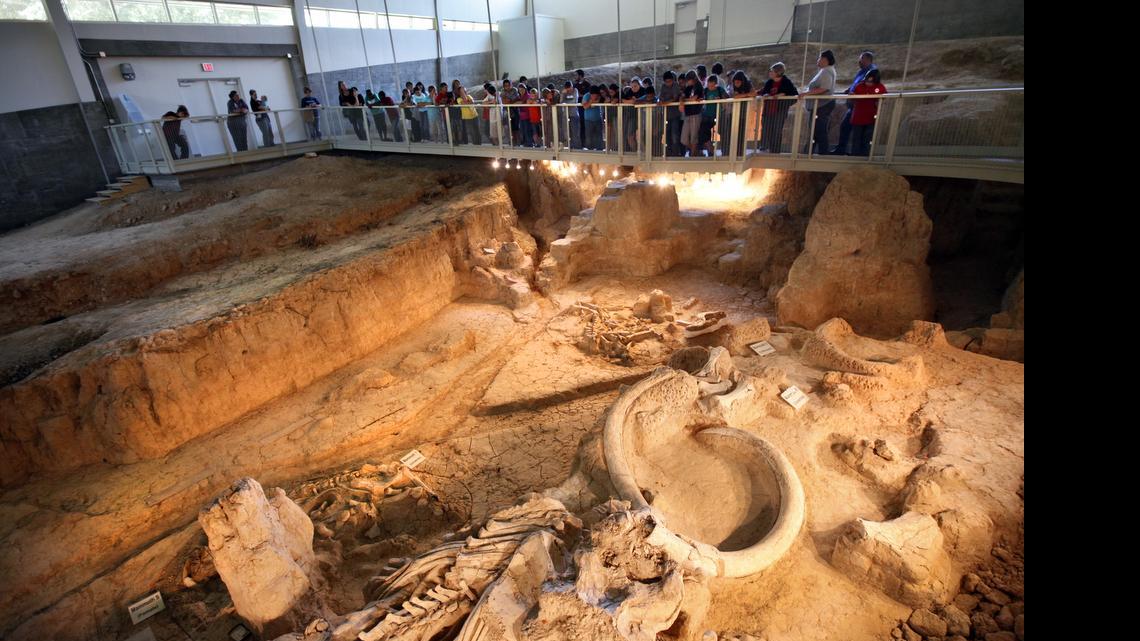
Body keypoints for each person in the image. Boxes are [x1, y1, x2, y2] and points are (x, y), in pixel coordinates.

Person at [832, 51, 878, 155]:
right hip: (854, 106)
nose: (859, 61)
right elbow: (857, 84)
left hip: (862, 107)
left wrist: (855, 92)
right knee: (846, 126)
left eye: (861, 59)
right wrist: (850, 89)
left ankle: (856, 153)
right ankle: (842, 149)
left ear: (867, 59)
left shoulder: (872, 72)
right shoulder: (862, 71)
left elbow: (868, 87)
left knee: (858, 132)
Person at [799, 49, 837, 155]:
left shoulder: (826, 71)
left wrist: (806, 94)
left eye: (820, 58)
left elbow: (825, 88)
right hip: (819, 105)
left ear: (825, 59)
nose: (818, 60)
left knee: (819, 130)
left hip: (822, 105)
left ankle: (822, 152)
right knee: (815, 130)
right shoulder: (825, 70)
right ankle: (808, 152)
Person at [758, 62, 798, 153]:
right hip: (768, 110)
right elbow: (764, 91)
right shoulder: (769, 82)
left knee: (777, 130)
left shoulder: (786, 82)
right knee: (766, 128)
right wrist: (766, 94)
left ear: (778, 72)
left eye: (772, 71)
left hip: (779, 111)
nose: (770, 73)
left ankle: (775, 150)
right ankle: (764, 146)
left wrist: (783, 94)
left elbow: (794, 94)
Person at [848, 69, 886, 156]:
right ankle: (855, 157)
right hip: (858, 117)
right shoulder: (859, 86)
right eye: (867, 81)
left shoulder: (880, 87)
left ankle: (866, 157)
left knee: (867, 138)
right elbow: (852, 95)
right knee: (856, 138)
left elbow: (884, 96)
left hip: (871, 118)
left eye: (871, 82)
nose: (868, 83)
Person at [728, 71, 755, 156]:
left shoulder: (748, 84)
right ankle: (733, 151)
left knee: (742, 133)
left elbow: (754, 93)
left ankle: (740, 152)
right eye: (735, 82)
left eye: (738, 82)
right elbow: (735, 97)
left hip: (744, 113)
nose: (736, 84)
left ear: (742, 81)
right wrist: (747, 95)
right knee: (734, 133)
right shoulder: (733, 87)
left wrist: (743, 95)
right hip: (735, 113)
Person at [701, 74, 728, 156]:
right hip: (706, 115)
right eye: (709, 86)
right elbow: (701, 98)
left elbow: (727, 97)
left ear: (716, 84)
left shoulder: (720, 90)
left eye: (712, 86)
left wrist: (721, 99)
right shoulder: (705, 90)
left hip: (718, 115)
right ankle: (711, 151)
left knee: (722, 132)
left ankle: (725, 151)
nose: (710, 88)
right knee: (704, 133)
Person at [658, 70, 683, 156]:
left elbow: (675, 98)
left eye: (670, 81)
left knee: (674, 134)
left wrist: (665, 101)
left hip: (675, 114)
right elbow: (661, 97)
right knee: (667, 134)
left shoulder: (676, 85)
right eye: (666, 82)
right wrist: (662, 100)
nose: (668, 83)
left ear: (673, 80)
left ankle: (676, 153)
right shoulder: (663, 87)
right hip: (666, 114)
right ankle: (668, 152)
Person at [679, 71, 703, 157]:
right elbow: (682, 96)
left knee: (694, 138)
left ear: (693, 79)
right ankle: (696, 151)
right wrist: (682, 102)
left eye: (688, 80)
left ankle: (692, 155)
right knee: (683, 139)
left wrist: (685, 100)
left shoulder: (699, 86)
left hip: (695, 114)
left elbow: (694, 98)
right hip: (687, 114)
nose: (687, 82)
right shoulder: (688, 88)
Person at [582, 85, 604, 150]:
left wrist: (591, 103)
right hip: (588, 120)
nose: (595, 96)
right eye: (593, 95)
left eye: (596, 95)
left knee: (599, 136)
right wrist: (591, 102)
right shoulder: (586, 96)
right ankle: (589, 150)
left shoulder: (599, 95)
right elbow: (585, 106)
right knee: (589, 137)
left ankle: (600, 150)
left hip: (598, 119)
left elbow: (600, 101)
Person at [573, 69, 589, 148]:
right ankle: (579, 145)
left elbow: (587, 95)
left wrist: (579, 95)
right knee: (578, 127)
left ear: (580, 75)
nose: (575, 77)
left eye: (576, 75)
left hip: (585, 109)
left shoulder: (587, 84)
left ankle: (586, 145)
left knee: (585, 126)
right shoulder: (574, 85)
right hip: (577, 109)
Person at [561, 81, 580, 148]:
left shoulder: (575, 90)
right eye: (567, 88)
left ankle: (577, 147)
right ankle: (569, 146)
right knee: (567, 133)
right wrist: (562, 94)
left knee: (575, 133)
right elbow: (561, 102)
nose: (569, 89)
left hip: (574, 114)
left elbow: (574, 101)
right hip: (565, 115)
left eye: (570, 88)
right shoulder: (564, 93)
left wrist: (566, 103)